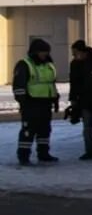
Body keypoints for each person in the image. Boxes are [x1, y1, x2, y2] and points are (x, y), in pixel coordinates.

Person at [12, 38, 61, 166]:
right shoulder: (24, 64)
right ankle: (23, 156)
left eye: (46, 51)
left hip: (45, 103)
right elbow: (18, 86)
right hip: (31, 103)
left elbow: (51, 84)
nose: (45, 54)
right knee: (28, 130)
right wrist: (23, 103)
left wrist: (55, 98)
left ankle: (43, 154)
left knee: (44, 130)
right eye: (42, 52)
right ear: (35, 52)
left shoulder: (49, 65)